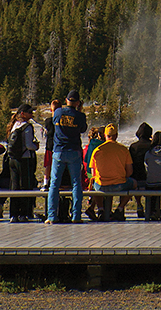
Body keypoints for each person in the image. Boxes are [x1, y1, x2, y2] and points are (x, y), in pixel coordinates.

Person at [47, 89, 88, 224]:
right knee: (76, 183)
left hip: (59, 151)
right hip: (74, 151)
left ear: (66, 100)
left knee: (54, 184)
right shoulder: (80, 116)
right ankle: (76, 216)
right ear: (77, 102)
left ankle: (52, 216)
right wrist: (80, 111)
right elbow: (82, 129)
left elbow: (53, 121)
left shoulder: (58, 112)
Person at [90, 124, 134, 220]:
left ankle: (101, 209)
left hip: (101, 186)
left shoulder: (97, 150)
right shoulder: (123, 149)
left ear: (105, 135)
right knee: (133, 183)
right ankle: (120, 209)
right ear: (116, 135)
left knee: (94, 181)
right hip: (119, 184)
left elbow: (93, 174)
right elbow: (130, 171)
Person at [6, 104, 38, 221]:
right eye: (30, 112)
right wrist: (36, 147)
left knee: (14, 185)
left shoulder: (14, 125)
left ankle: (13, 213)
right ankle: (24, 213)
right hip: (24, 159)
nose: (32, 114)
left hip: (13, 159)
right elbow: (29, 145)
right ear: (23, 114)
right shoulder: (27, 127)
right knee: (25, 185)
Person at [130, 123, 155, 221]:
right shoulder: (152, 146)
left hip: (135, 178)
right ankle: (152, 209)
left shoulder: (133, 146)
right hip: (150, 179)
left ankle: (139, 204)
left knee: (136, 178)